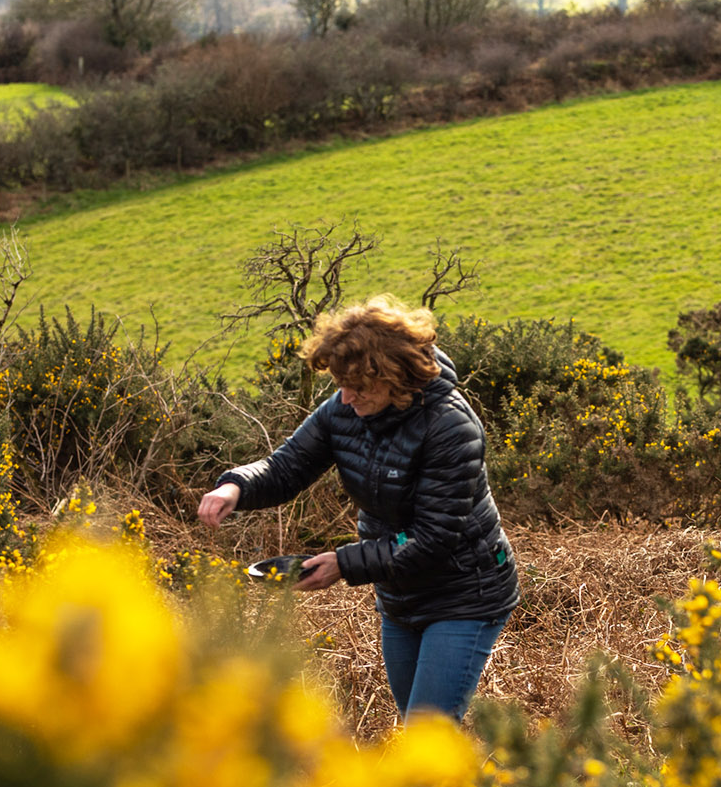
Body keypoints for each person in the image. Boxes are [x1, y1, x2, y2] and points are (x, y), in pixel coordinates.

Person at [197, 297, 518, 723]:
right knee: (420, 733)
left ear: (395, 377)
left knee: (426, 735)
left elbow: (436, 537)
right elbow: (288, 465)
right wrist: (235, 486)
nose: (345, 398)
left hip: (465, 593)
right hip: (399, 593)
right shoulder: (344, 407)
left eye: (359, 388)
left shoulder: (450, 426)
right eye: (340, 384)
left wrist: (343, 564)